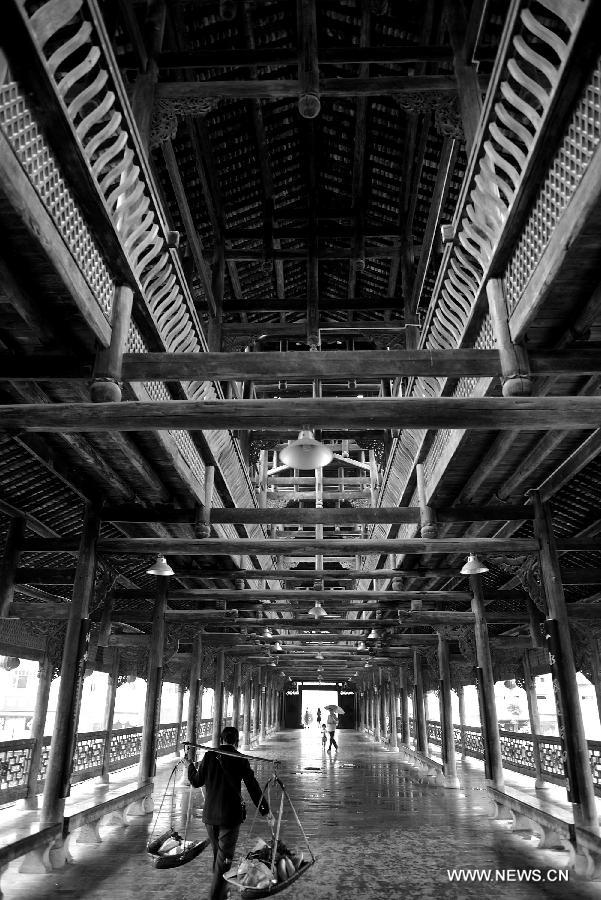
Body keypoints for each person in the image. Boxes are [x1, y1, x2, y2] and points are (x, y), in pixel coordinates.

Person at [187, 726, 275, 900]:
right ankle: (216, 896)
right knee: (223, 860)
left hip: (210, 817)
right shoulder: (239, 759)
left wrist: (189, 766)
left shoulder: (209, 755)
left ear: (221, 740)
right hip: (229, 817)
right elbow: (252, 787)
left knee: (219, 858)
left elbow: (196, 781)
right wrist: (266, 811)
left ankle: (222, 891)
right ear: (236, 741)